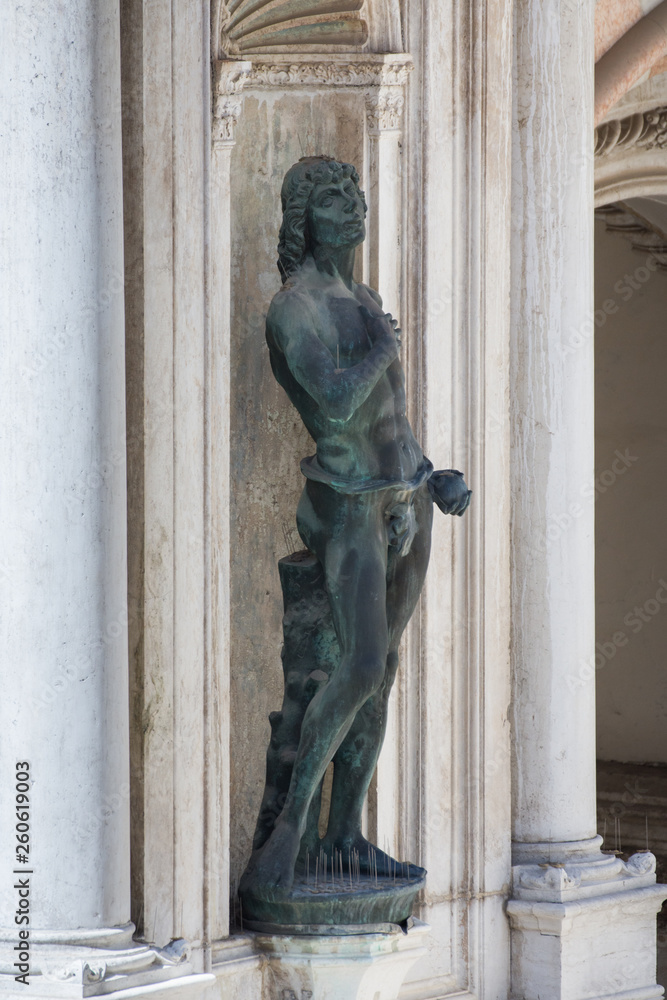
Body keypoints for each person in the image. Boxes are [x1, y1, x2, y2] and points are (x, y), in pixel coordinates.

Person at [241, 156, 470, 899]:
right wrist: (381, 348)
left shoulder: (364, 297)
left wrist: (431, 474)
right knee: (362, 665)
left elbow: (391, 419)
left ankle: (344, 835)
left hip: (406, 500)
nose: (353, 207)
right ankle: (290, 830)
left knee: (384, 670)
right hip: (345, 504)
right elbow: (337, 406)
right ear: (305, 220)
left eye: (355, 194)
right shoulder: (295, 307)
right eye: (334, 199)